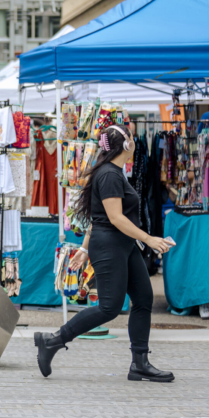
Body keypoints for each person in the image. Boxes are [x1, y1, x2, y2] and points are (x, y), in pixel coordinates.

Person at [35, 125, 173, 383]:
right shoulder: (109, 175)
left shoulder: (113, 172)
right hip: (110, 245)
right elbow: (114, 218)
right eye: (131, 137)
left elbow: (96, 218)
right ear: (127, 144)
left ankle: (140, 363)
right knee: (109, 307)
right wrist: (148, 239)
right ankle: (52, 341)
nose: (134, 141)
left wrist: (85, 248)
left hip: (121, 244)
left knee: (143, 298)